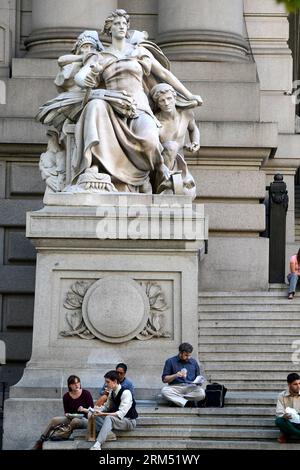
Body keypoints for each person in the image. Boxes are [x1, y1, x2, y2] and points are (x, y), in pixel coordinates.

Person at [71, 9, 202, 193]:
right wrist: (84, 79)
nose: (121, 27)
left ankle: (153, 176)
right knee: (94, 105)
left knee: (149, 140)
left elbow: (164, 74)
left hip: (139, 106)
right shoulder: (101, 56)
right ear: (109, 29)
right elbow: (81, 75)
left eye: (124, 24)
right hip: (112, 106)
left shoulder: (138, 52)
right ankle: (95, 168)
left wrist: (189, 95)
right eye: (117, 24)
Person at [150, 83, 199, 197]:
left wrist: (195, 142)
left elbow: (193, 129)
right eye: (162, 101)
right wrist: (161, 166)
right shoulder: (155, 121)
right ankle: (163, 186)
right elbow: (152, 146)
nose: (167, 103)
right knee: (171, 146)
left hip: (179, 161)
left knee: (189, 194)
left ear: (174, 98)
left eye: (169, 99)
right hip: (160, 163)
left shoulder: (187, 114)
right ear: (157, 103)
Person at [80, 370, 138, 451]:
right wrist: (95, 411)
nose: (106, 384)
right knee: (94, 415)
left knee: (109, 418)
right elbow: (107, 407)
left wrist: (103, 414)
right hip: (117, 420)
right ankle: (109, 434)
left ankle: (97, 445)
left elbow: (120, 413)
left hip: (129, 421)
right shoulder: (112, 392)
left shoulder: (126, 393)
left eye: (107, 382)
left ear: (115, 381)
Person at [32, 375, 94, 450]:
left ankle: (64, 434)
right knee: (54, 420)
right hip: (72, 418)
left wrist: (83, 409)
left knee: (75, 421)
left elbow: (92, 411)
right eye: (74, 384)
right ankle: (42, 440)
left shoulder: (86, 394)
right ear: (70, 385)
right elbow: (66, 412)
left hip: (85, 419)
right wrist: (67, 415)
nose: (77, 385)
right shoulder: (66, 396)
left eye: (78, 383)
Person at [161, 342, 206, 407]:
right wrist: (175, 375)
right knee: (164, 391)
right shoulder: (170, 361)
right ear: (180, 353)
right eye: (186, 355)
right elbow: (164, 380)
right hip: (175, 387)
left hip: (190, 388)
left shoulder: (194, 362)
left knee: (201, 393)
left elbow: (198, 378)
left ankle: (178, 401)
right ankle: (187, 403)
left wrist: (199, 382)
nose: (188, 357)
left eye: (190, 355)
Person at [275, 372, 300, 443]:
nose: (298, 386)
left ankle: (287, 434)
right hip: (289, 421)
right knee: (279, 421)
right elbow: (279, 413)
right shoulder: (282, 396)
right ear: (289, 385)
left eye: (299, 383)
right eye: (295, 384)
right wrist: (284, 415)